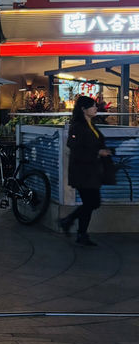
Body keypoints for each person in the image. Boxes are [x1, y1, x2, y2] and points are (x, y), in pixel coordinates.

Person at [59, 95, 111, 246]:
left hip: (92, 171)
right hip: (82, 171)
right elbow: (74, 147)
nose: (96, 108)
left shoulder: (91, 124)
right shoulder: (77, 126)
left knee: (90, 203)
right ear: (83, 109)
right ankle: (68, 221)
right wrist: (97, 153)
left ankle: (80, 233)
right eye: (93, 106)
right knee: (92, 202)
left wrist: (102, 150)